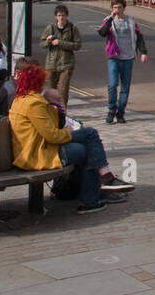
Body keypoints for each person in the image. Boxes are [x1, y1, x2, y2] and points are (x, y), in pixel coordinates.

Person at [9, 63, 133, 216]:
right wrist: (67, 131)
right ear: (37, 82)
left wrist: (54, 108)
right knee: (87, 146)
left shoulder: (20, 100)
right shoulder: (33, 103)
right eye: (42, 82)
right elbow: (52, 135)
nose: (44, 85)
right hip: (37, 154)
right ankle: (94, 195)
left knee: (89, 135)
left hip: (35, 149)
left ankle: (99, 188)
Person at [98, 0, 148, 123]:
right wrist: (110, 18)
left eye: (119, 8)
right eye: (115, 7)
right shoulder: (108, 20)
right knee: (112, 84)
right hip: (114, 57)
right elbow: (102, 33)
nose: (117, 10)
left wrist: (143, 52)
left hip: (128, 57)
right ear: (112, 8)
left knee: (125, 87)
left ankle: (120, 113)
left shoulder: (130, 21)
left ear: (124, 8)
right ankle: (111, 110)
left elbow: (139, 37)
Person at [40, 4, 82, 108]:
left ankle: (62, 113)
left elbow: (77, 45)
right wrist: (48, 41)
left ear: (67, 16)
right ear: (56, 17)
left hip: (66, 64)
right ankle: (50, 111)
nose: (61, 18)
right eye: (59, 15)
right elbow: (42, 44)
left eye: (63, 15)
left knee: (63, 91)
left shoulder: (72, 28)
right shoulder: (50, 28)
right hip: (51, 64)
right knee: (50, 91)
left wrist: (60, 42)